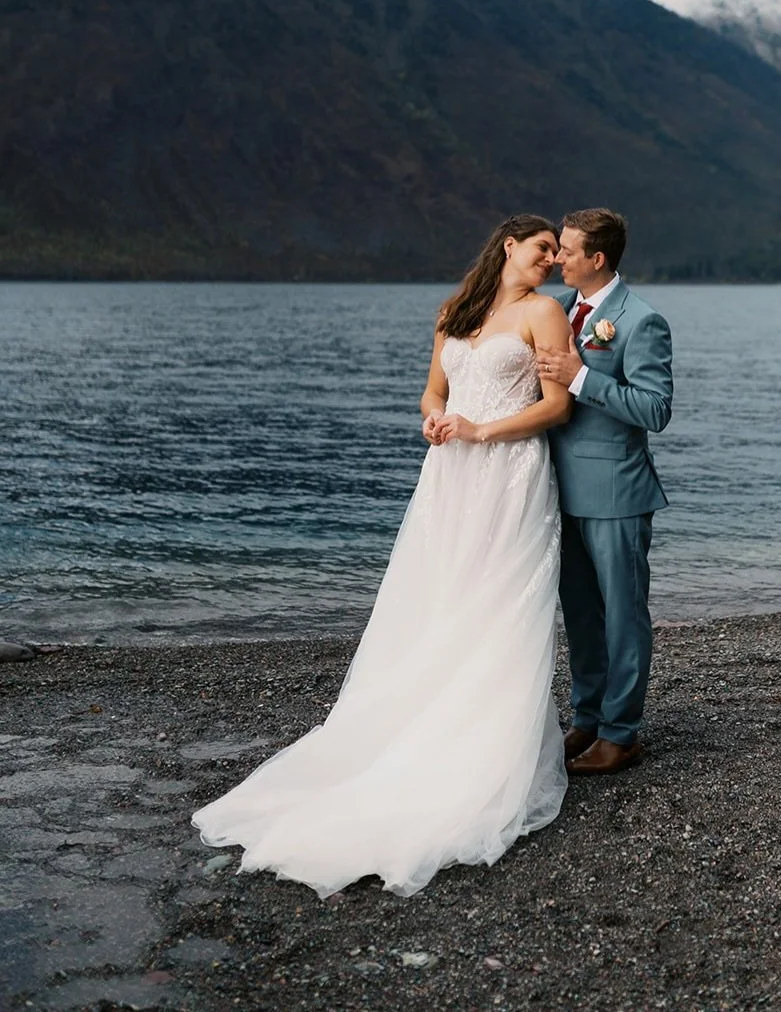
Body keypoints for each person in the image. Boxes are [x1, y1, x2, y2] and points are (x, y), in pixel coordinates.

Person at [192, 215, 574, 898]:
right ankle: (411, 721)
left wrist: (481, 428)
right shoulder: (455, 311)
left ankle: (484, 743)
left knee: (498, 598)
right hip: (449, 474)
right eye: (541, 247)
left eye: (556, 251)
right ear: (508, 245)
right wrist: (434, 418)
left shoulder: (545, 313)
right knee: (437, 594)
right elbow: (433, 389)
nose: (550, 259)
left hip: (509, 469)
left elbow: (555, 409)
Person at [537, 208, 673, 775]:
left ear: (597, 259)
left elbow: (655, 409)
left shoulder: (641, 321)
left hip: (616, 492)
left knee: (622, 616)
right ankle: (587, 719)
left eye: (567, 251)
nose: (556, 258)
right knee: (582, 616)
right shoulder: (561, 311)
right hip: (558, 490)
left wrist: (582, 378)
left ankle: (621, 734)